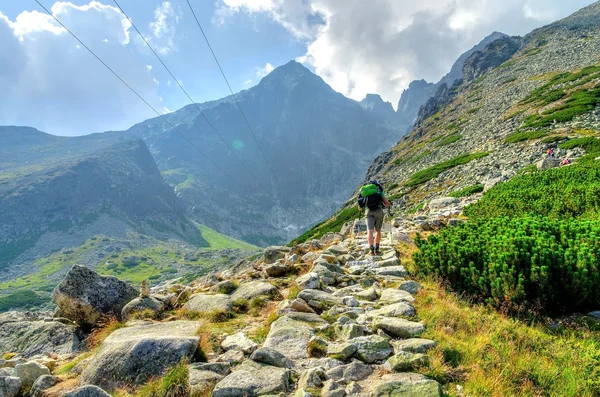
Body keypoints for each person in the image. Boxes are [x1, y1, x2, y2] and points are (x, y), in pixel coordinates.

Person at [357, 180, 391, 256]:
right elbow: (385, 203)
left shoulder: (365, 192)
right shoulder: (379, 191)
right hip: (379, 211)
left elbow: (360, 207)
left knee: (370, 230)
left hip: (368, 212)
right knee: (378, 231)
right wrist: (389, 203)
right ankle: (377, 249)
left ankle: (371, 250)